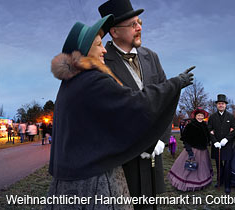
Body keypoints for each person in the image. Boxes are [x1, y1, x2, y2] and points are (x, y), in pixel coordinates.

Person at [47, 14, 192, 209]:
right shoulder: (92, 80)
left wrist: (160, 139)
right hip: (93, 178)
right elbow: (135, 103)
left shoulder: (71, 82)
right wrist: (176, 84)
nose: (104, 49)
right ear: (84, 51)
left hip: (71, 177)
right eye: (99, 44)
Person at [99, 1, 174, 206]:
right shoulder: (101, 62)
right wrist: (135, 144)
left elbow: (167, 99)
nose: (139, 28)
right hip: (124, 162)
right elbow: (105, 114)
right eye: (133, 24)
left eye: (139, 22)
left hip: (153, 157)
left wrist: (162, 138)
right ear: (114, 32)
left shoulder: (152, 57)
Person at [168, 109, 213, 191]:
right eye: (198, 115)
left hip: (203, 150)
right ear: (195, 116)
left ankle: (202, 182)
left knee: (202, 167)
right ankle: (186, 184)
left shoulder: (205, 125)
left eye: (202, 116)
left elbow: (207, 137)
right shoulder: (190, 125)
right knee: (190, 167)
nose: (200, 117)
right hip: (193, 149)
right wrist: (190, 151)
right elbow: (186, 139)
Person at [207, 94, 235, 189]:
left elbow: (234, 130)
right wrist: (215, 141)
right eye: (219, 103)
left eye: (222, 103)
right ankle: (220, 181)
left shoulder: (231, 117)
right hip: (216, 146)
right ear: (217, 105)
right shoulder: (212, 117)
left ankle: (227, 184)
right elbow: (209, 130)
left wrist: (226, 139)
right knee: (219, 165)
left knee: (227, 165)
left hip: (227, 145)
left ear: (225, 105)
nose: (221, 105)